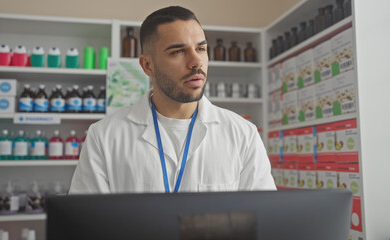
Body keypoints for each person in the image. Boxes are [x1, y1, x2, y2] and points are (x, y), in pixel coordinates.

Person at [69, 6, 276, 194]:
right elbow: (85, 225)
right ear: (148, 65)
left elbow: (264, 221)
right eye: (178, 51)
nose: (196, 62)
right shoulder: (104, 137)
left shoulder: (243, 135)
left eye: (201, 49)